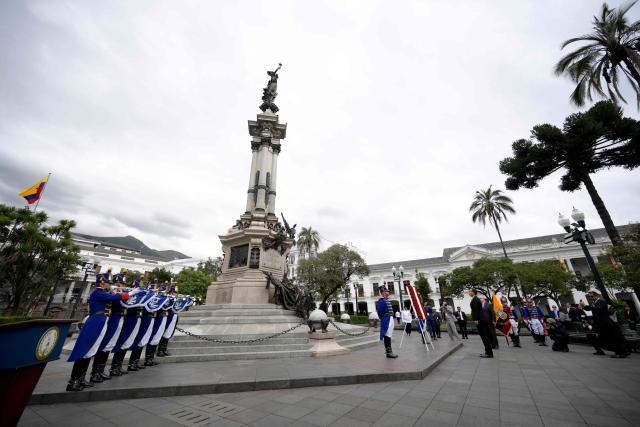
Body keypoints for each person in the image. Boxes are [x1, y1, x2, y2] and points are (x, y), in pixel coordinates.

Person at [66, 275, 132, 392]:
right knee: (85, 349)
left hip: (101, 320)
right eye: (108, 283)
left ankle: (81, 378)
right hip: (95, 320)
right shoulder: (98, 293)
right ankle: (74, 381)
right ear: (102, 283)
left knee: (91, 350)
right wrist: (130, 293)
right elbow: (117, 298)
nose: (110, 285)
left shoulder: (103, 292)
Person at [580, 291, 629, 358]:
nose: (591, 298)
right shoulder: (594, 302)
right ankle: (602, 350)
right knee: (595, 336)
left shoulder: (601, 301)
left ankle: (620, 352)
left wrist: (587, 306)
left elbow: (598, 309)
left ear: (596, 295)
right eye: (589, 297)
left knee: (611, 338)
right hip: (599, 324)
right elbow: (591, 309)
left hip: (605, 323)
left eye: (592, 296)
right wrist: (584, 307)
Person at [469, 289, 493, 358]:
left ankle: (489, 353)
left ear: (473, 292)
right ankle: (487, 351)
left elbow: (476, 310)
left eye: (470, 292)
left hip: (480, 320)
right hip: (481, 320)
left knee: (484, 337)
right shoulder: (475, 299)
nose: (469, 293)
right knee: (484, 337)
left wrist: (476, 319)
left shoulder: (475, 299)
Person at [376, 285, 398, 358]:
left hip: (390, 318)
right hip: (386, 318)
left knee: (389, 334)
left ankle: (389, 351)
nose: (388, 292)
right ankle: (389, 352)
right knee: (387, 335)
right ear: (383, 292)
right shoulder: (381, 301)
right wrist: (383, 318)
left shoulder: (387, 300)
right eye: (386, 291)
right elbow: (379, 312)